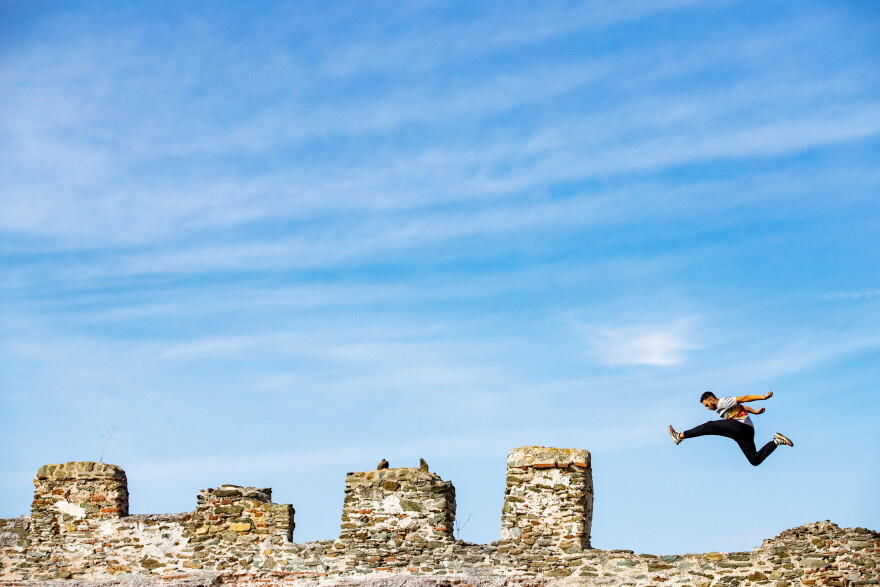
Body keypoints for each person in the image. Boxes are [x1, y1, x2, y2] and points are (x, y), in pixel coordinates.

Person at [668, 390, 793, 466]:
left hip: (740, 427)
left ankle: (680, 436)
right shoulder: (722, 408)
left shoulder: (723, 402)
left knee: (709, 426)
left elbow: (744, 398)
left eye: (707, 405)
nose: (708, 408)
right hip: (746, 432)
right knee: (754, 460)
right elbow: (742, 407)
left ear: (711, 399)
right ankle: (776, 441)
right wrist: (755, 412)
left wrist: (763, 397)